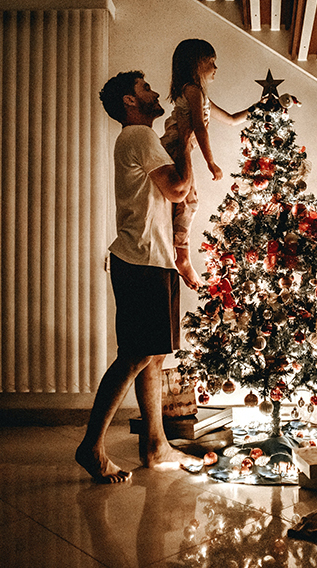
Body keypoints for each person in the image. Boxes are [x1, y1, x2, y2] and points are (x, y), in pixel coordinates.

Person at [76, 71, 201, 483]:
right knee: (134, 353)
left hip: (153, 258)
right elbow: (179, 189)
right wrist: (185, 140)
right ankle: (92, 447)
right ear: (130, 101)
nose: (152, 93)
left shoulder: (139, 141)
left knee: (152, 353)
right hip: (142, 259)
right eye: (144, 88)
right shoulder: (138, 137)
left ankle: (155, 444)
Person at [161, 39, 248, 289]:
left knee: (185, 204)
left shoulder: (199, 94)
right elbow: (199, 127)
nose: (215, 68)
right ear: (196, 65)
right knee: (189, 202)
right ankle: (182, 258)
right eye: (211, 62)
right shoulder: (192, 90)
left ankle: (180, 254)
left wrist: (260, 107)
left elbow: (231, 120)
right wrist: (211, 163)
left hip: (178, 151)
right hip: (174, 150)